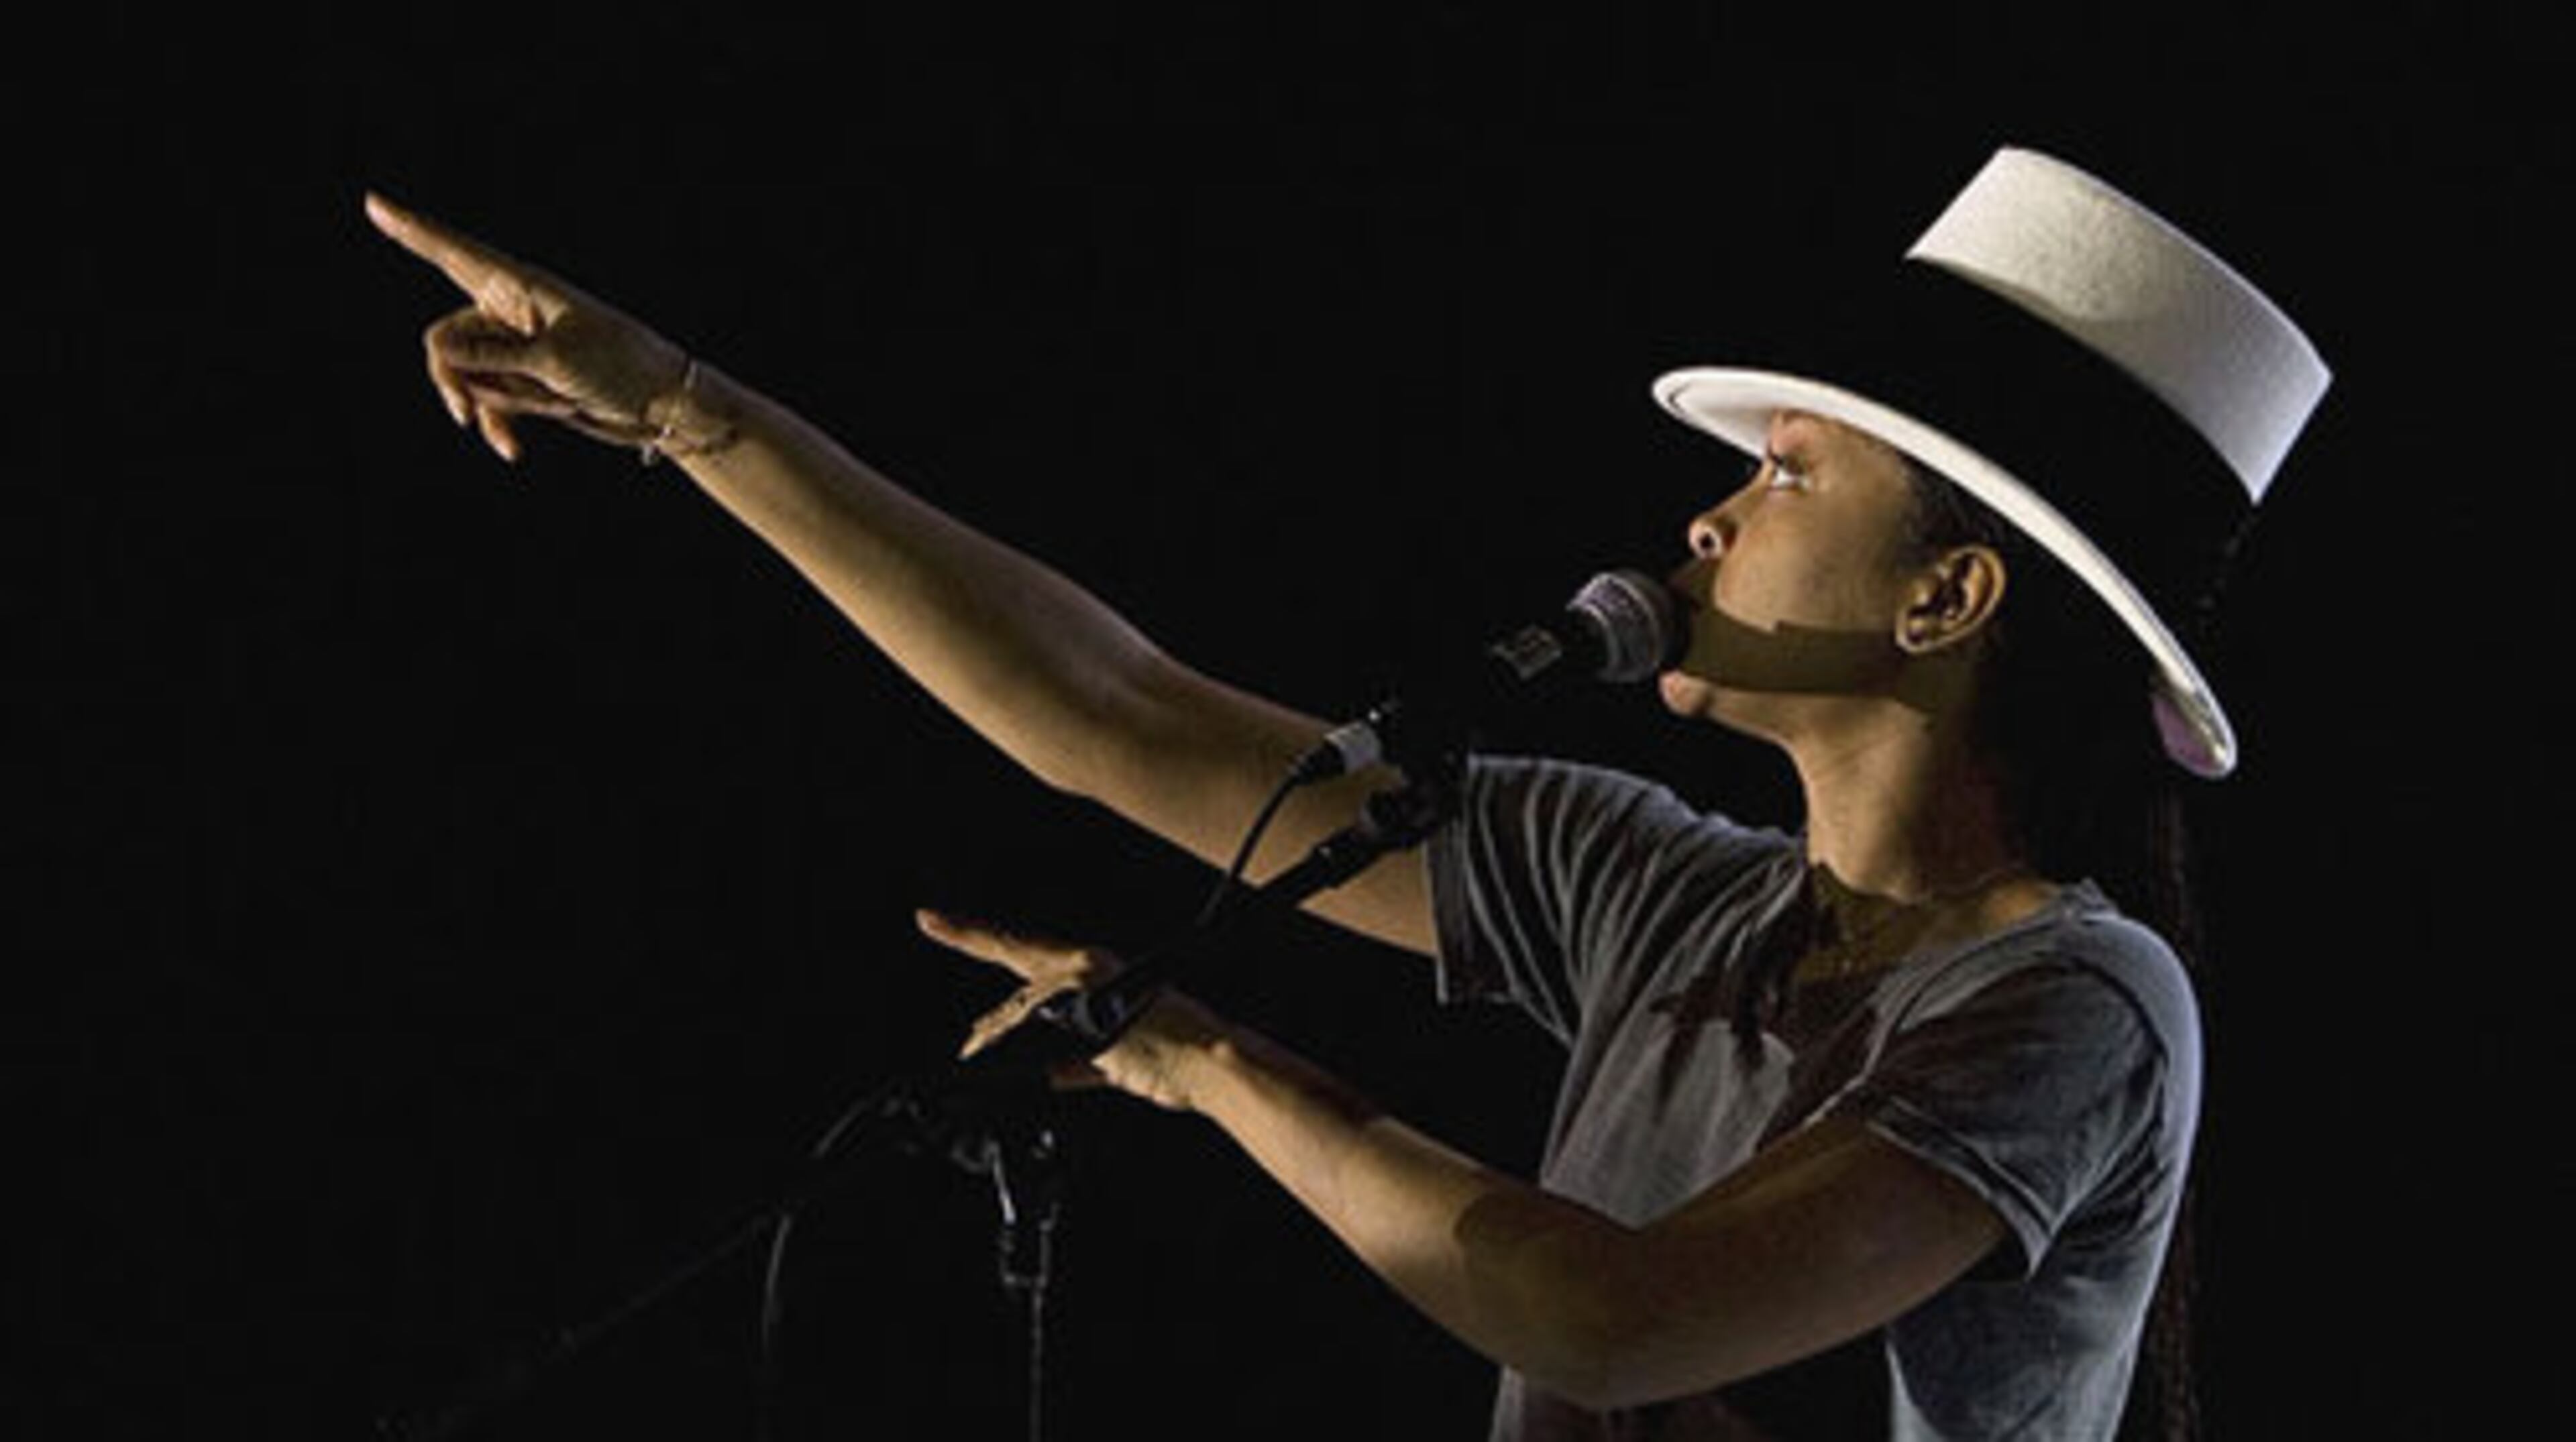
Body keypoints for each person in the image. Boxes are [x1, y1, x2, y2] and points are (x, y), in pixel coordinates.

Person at [367, 146, 2328, 1439]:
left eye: (1795, 477)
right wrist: (696, 416)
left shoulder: (2076, 1006)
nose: (1711, 519)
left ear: (1951, 594)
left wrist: (1212, 1064)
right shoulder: (1658, 887)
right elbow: (1114, 710)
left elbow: (1617, 1322)